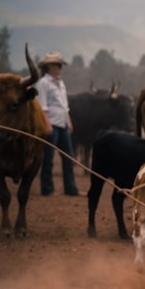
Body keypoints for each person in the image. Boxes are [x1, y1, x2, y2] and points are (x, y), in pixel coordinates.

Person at [35, 52, 83, 196]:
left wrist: (68, 120)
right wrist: (47, 124)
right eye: (57, 66)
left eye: (60, 66)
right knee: (48, 158)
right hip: (52, 124)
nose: (59, 68)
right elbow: (42, 105)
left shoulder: (60, 83)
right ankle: (47, 189)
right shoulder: (43, 83)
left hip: (62, 123)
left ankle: (70, 188)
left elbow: (64, 105)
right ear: (49, 67)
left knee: (69, 156)